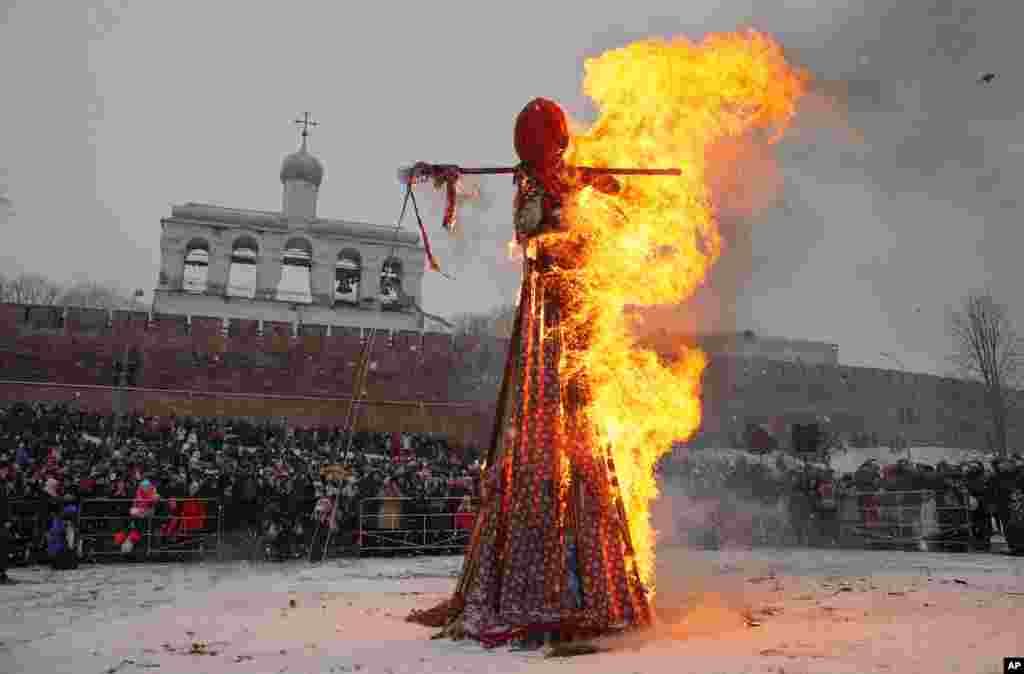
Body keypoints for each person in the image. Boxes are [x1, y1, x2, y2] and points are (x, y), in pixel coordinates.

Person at [408, 99, 650, 648]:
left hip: (564, 303)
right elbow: (522, 224)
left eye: (541, 141)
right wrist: (446, 176)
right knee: (535, 417)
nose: (536, 152)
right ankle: (527, 584)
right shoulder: (530, 179)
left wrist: (592, 183)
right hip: (540, 304)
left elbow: (614, 200)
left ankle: (572, 588)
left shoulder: (569, 180)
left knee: (569, 421)